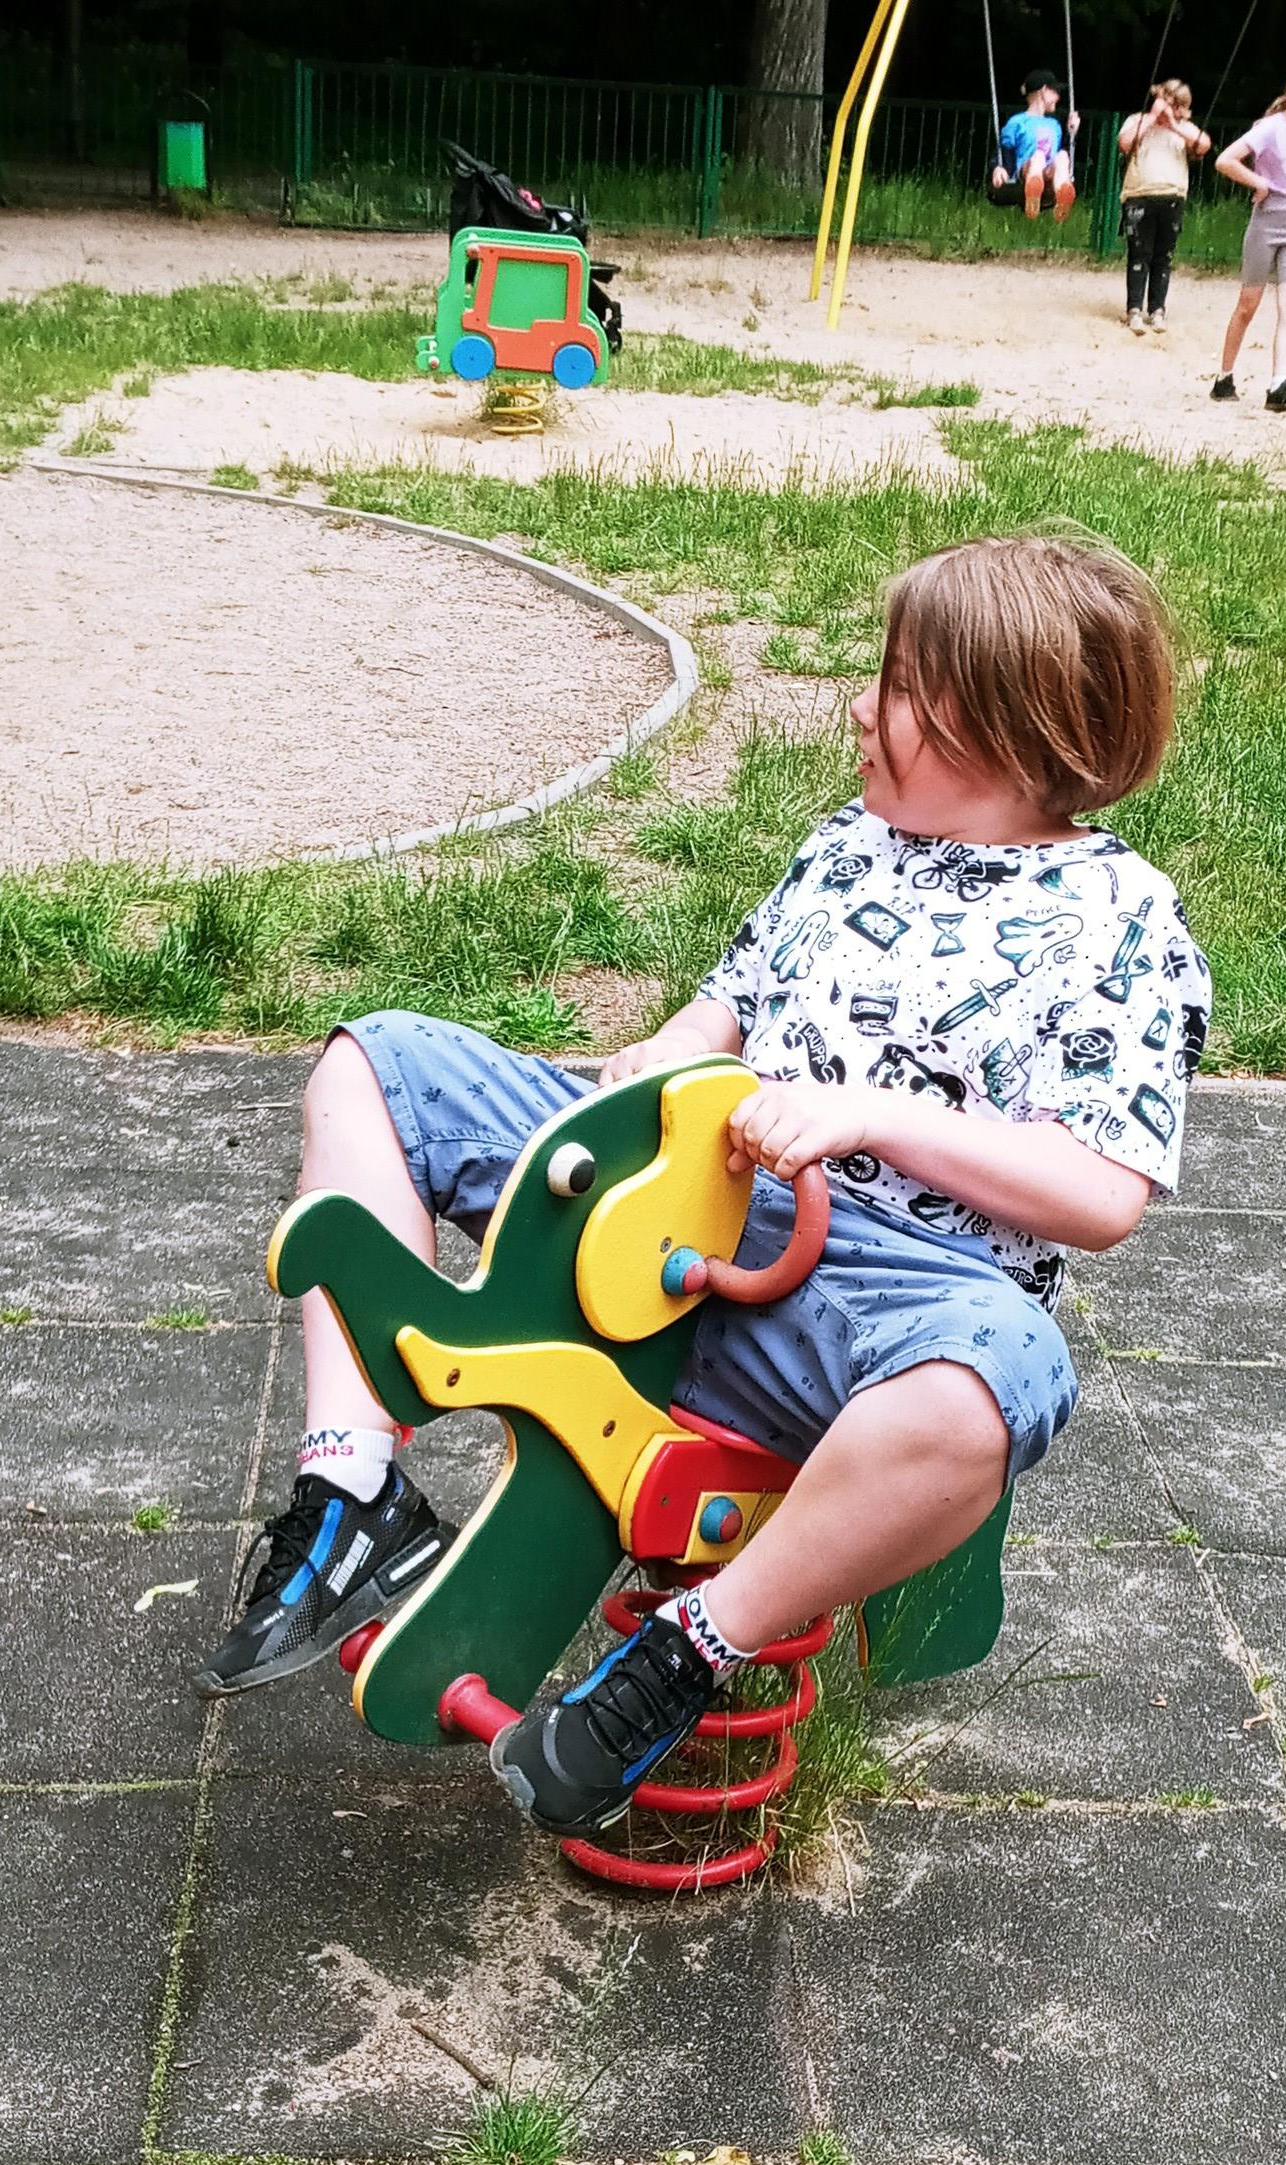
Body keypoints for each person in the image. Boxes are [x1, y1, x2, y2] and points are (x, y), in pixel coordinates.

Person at [195, 533, 1212, 1843]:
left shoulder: (1121, 921)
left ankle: (682, 1657)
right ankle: (353, 1493)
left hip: (882, 1303)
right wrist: (662, 1058)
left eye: (901, 687)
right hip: (687, 1203)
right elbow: (723, 1008)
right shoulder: (849, 845)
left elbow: (1102, 1190)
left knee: (1006, 1378)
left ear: (1011, 722)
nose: (860, 708)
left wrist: (871, 1120)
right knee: (377, 1065)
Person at [1210, 64, 1286, 414]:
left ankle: (1278, 385)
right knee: (1248, 305)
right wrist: (1258, 182)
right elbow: (1225, 160)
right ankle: (1224, 377)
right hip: (1266, 222)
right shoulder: (1269, 129)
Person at [1117, 79, 1211, 333]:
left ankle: (1157, 309)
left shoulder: (1184, 129)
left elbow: (1203, 145)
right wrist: (1151, 119)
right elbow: (1124, 143)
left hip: (1172, 196)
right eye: (1166, 101)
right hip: (1139, 195)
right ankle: (1134, 309)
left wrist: (1173, 125)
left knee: (1163, 256)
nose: (1169, 109)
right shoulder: (1138, 121)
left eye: (1176, 105)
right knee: (1139, 254)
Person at [994, 69, 1082, 220]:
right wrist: (998, 167)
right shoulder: (1018, 121)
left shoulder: (1054, 125)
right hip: (1026, 171)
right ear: (1043, 90)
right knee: (1038, 157)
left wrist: (1071, 133)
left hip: (1048, 175)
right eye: (1055, 92)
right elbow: (1003, 150)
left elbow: (1060, 151)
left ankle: (1063, 192)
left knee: (1062, 156)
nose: (1058, 97)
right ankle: (1033, 190)